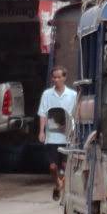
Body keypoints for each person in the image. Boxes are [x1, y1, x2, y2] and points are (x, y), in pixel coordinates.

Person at [38, 66, 77, 200]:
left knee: (66, 166)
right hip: (52, 137)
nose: (56, 79)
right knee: (53, 167)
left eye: (59, 77)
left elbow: (76, 115)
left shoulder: (73, 95)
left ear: (64, 78)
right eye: (54, 77)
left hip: (68, 137)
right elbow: (43, 113)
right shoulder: (47, 94)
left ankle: (63, 192)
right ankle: (57, 185)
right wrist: (41, 131)